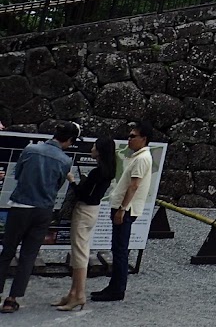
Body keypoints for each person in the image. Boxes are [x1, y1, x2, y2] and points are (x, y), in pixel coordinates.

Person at [0, 121, 80, 314]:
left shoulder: (31, 150)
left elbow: (18, 174)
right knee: (28, 255)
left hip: (21, 205)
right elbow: (58, 184)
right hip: (43, 209)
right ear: (70, 140)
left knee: (7, 251)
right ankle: (12, 299)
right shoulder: (65, 160)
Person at [92, 121, 154, 303]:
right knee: (118, 248)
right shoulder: (138, 157)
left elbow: (134, 186)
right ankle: (114, 286)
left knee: (120, 250)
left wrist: (122, 209)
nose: (129, 139)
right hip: (124, 208)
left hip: (126, 209)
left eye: (133, 136)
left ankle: (117, 289)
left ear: (144, 139)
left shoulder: (142, 158)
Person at [55, 135, 117, 312]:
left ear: (100, 151)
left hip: (84, 211)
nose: (92, 149)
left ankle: (79, 294)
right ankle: (73, 293)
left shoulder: (97, 173)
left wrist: (73, 181)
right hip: (92, 211)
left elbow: (85, 196)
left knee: (80, 252)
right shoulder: (107, 171)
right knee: (79, 250)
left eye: (94, 147)